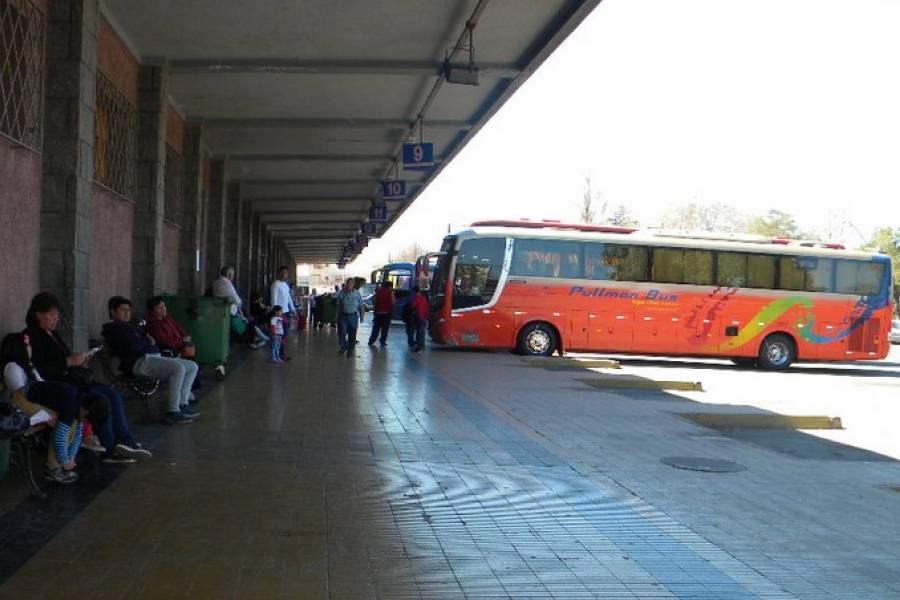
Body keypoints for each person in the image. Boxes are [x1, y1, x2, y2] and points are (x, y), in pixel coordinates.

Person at [23, 292, 150, 463]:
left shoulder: (53, 334)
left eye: (57, 315)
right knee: (100, 400)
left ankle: (126, 442)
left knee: (113, 395)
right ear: (38, 314)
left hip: (75, 380)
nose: (56, 319)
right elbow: (38, 369)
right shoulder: (31, 336)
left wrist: (79, 360)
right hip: (59, 385)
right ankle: (110, 448)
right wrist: (68, 362)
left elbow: (64, 359)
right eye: (51, 314)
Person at [2, 333, 111, 483]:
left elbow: (78, 430)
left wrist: (71, 457)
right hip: (20, 402)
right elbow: (20, 392)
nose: (30, 348)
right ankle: (54, 467)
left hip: (36, 401)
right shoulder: (12, 367)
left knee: (70, 423)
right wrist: (66, 460)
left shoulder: (30, 367)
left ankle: (57, 465)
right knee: (61, 423)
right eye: (27, 345)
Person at [102, 296, 199, 425]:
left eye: (128, 310)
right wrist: (147, 342)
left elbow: (145, 342)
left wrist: (147, 343)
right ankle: (173, 411)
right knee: (178, 368)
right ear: (112, 312)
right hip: (138, 362)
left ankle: (182, 403)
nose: (127, 313)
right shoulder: (114, 328)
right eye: (123, 310)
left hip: (150, 357)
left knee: (192, 366)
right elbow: (134, 346)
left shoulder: (129, 327)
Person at [213, 266, 268, 348]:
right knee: (249, 322)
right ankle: (256, 340)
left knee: (249, 319)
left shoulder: (215, 282)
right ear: (229, 275)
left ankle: (262, 338)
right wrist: (240, 304)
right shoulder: (227, 284)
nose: (233, 277)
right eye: (233, 275)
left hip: (219, 310)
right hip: (231, 312)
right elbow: (237, 300)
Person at [270, 266, 296, 360]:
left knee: (284, 335)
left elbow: (289, 298)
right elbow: (274, 299)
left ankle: (281, 353)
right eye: (282, 272)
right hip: (279, 314)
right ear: (278, 273)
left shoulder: (285, 285)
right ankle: (278, 354)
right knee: (279, 336)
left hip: (286, 313)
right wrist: (276, 313)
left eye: (285, 273)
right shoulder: (275, 284)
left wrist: (293, 309)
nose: (284, 274)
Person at [336, 278, 364, 357]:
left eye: (351, 283)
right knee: (342, 333)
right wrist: (337, 316)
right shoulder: (342, 293)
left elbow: (361, 305)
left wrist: (362, 316)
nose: (349, 285)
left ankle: (350, 351)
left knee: (352, 334)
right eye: (348, 283)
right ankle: (344, 347)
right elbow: (339, 305)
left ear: (353, 285)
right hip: (344, 315)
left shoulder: (357, 293)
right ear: (346, 284)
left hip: (353, 316)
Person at [367, 281, 394, 347]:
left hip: (378, 313)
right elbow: (393, 302)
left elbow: (373, 299)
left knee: (376, 328)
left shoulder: (379, 291)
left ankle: (371, 341)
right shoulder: (391, 292)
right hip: (387, 313)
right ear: (390, 286)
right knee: (385, 329)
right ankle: (382, 342)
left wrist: (375, 307)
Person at [406, 285, 429, 353]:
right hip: (423, 317)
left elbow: (413, 306)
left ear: (414, 291)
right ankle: (421, 345)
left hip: (418, 317)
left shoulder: (416, 298)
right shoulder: (424, 298)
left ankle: (416, 345)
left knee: (413, 331)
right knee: (421, 332)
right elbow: (426, 308)